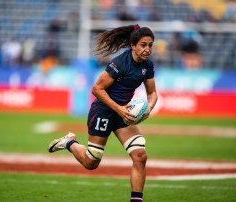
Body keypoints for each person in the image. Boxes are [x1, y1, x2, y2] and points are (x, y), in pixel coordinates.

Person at [48, 24, 158, 202]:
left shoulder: (148, 66)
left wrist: (148, 109)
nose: (147, 49)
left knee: (140, 156)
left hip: (124, 114)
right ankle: (69, 142)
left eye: (150, 45)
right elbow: (97, 89)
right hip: (103, 112)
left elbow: (152, 93)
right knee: (91, 162)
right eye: (143, 45)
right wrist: (119, 109)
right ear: (133, 45)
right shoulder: (120, 63)